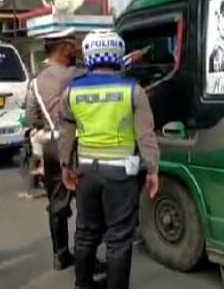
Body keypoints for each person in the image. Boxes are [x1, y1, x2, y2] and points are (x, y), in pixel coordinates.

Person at [58, 30, 160, 289]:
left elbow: (66, 133)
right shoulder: (134, 91)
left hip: (86, 173)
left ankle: (82, 284)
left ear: (89, 56)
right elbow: (145, 135)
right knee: (118, 237)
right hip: (120, 174)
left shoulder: (71, 92)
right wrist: (152, 170)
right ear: (117, 55)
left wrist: (65, 167)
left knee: (85, 231)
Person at [25, 28, 83, 270]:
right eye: (73, 44)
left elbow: (31, 117)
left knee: (57, 203)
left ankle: (60, 254)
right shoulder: (80, 74)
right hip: (79, 143)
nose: (76, 49)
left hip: (51, 145)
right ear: (63, 48)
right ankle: (85, 256)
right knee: (86, 203)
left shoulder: (36, 81)